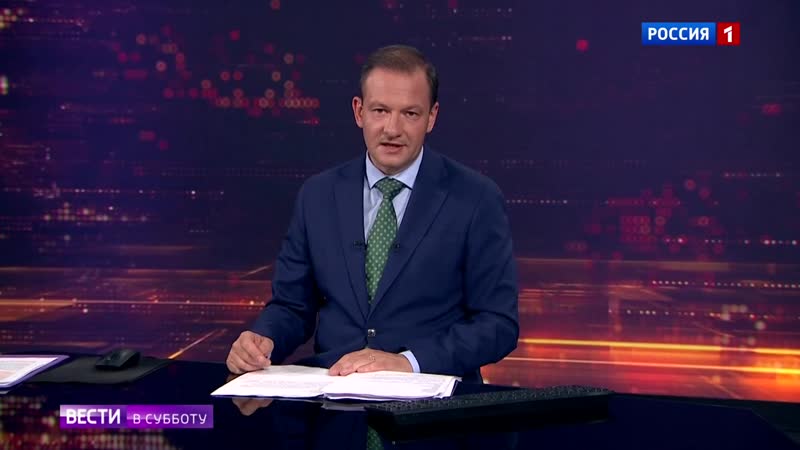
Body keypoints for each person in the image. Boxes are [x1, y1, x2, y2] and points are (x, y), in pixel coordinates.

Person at [226, 44, 518, 383]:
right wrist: (263, 339)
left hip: (429, 400)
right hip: (333, 394)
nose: (392, 129)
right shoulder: (318, 195)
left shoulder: (475, 198)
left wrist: (408, 362)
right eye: (380, 110)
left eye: (410, 114)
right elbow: (292, 306)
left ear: (432, 117)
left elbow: (498, 324)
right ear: (359, 111)